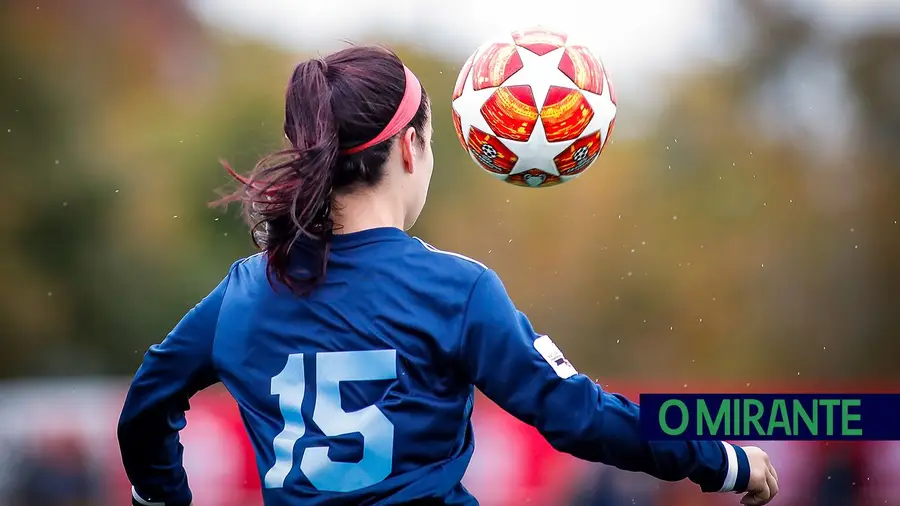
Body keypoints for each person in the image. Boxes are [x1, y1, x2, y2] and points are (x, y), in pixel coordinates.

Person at [117, 45, 779, 506]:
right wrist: (717, 459)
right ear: (410, 146)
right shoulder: (454, 291)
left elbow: (145, 407)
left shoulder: (243, 292)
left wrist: (162, 496)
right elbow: (575, 415)